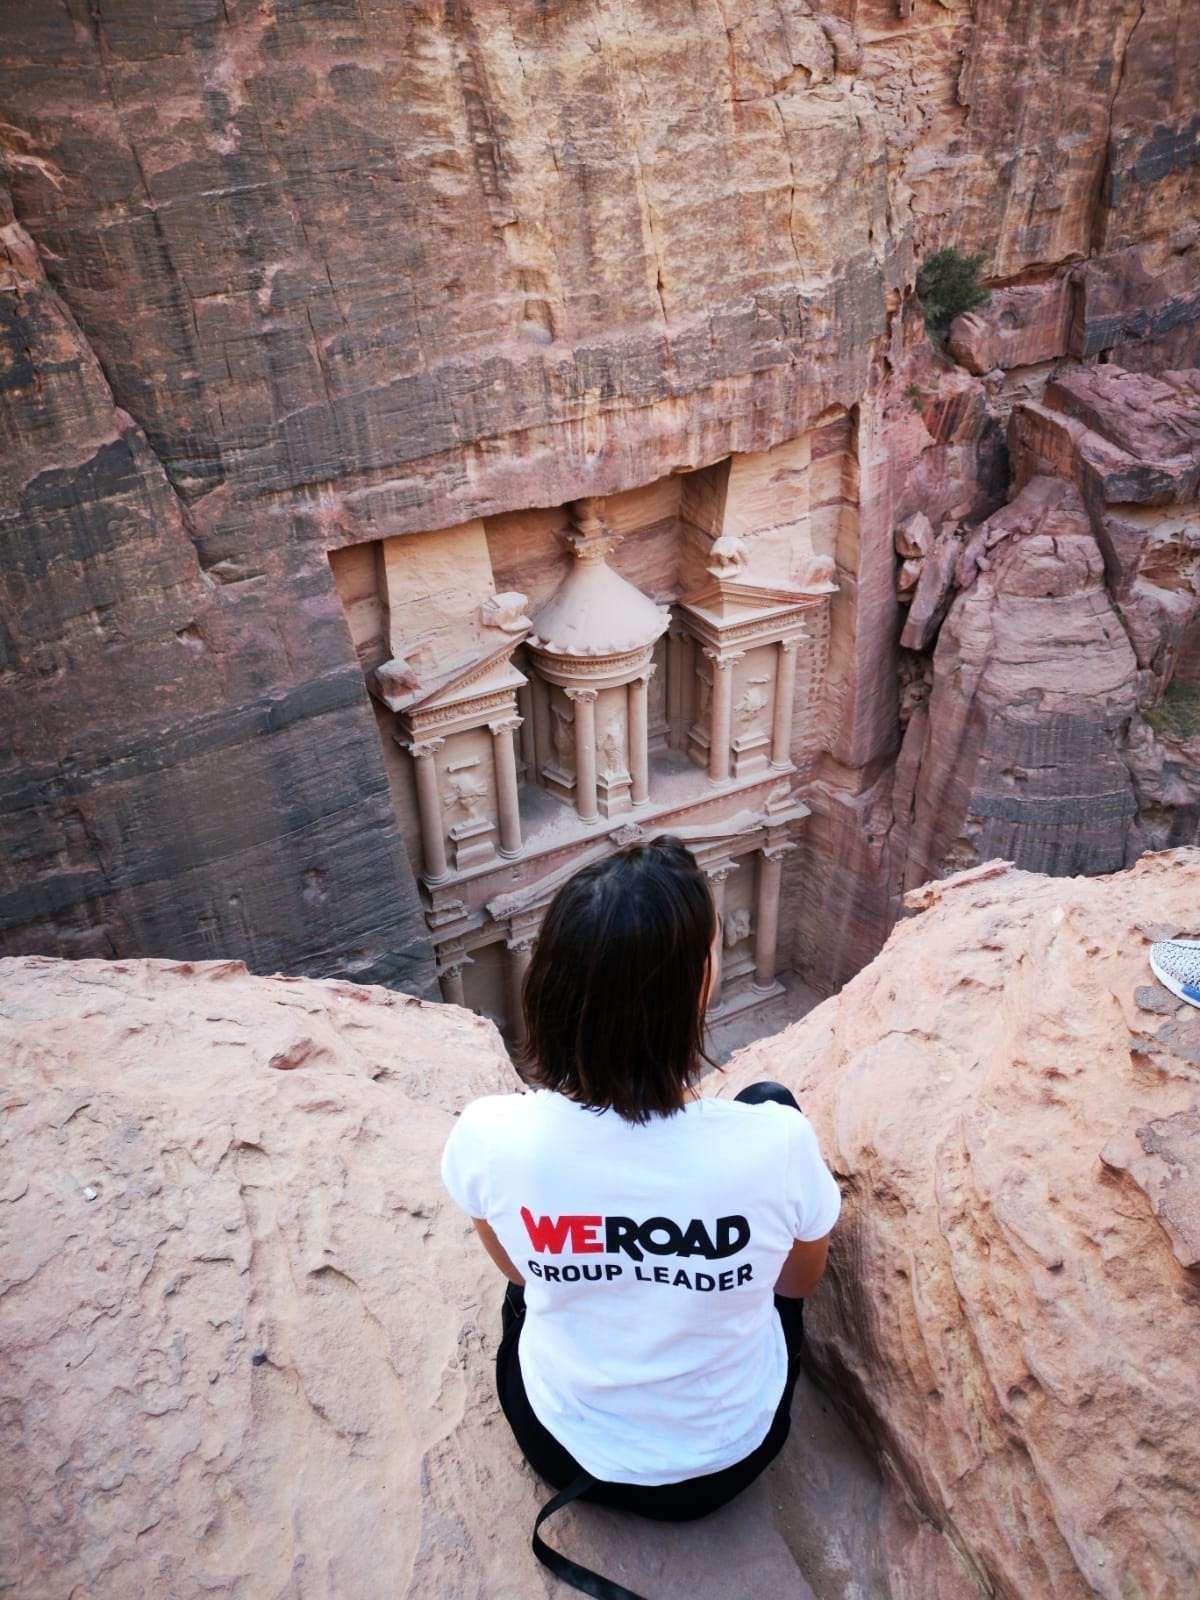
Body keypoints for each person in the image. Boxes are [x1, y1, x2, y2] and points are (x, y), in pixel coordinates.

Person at [440, 835, 842, 1599]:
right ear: (695, 991)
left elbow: (516, 1271)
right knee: (769, 1094)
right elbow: (799, 1282)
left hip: (562, 1451)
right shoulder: (772, 1141)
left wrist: (598, 1256)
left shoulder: (492, 1135)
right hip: (726, 1465)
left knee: (530, 1292)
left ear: (551, 986)